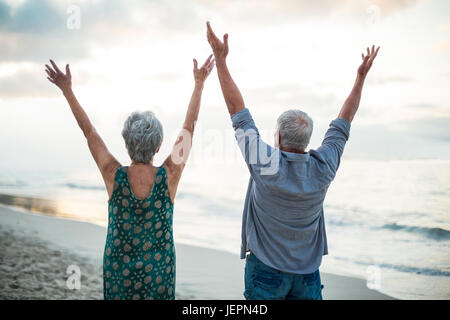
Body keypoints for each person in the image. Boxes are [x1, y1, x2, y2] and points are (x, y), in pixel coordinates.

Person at [206, 21, 380, 300]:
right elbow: (344, 121)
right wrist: (360, 78)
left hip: (264, 271)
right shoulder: (324, 166)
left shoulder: (264, 163)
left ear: (276, 138)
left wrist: (222, 61)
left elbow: (236, 109)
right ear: (308, 140)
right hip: (307, 274)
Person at [45, 55, 215, 300]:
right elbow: (189, 127)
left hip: (118, 272)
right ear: (158, 148)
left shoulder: (114, 175)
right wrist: (199, 84)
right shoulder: (169, 176)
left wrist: (67, 90)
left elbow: (89, 131)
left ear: (126, 143)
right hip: (159, 273)